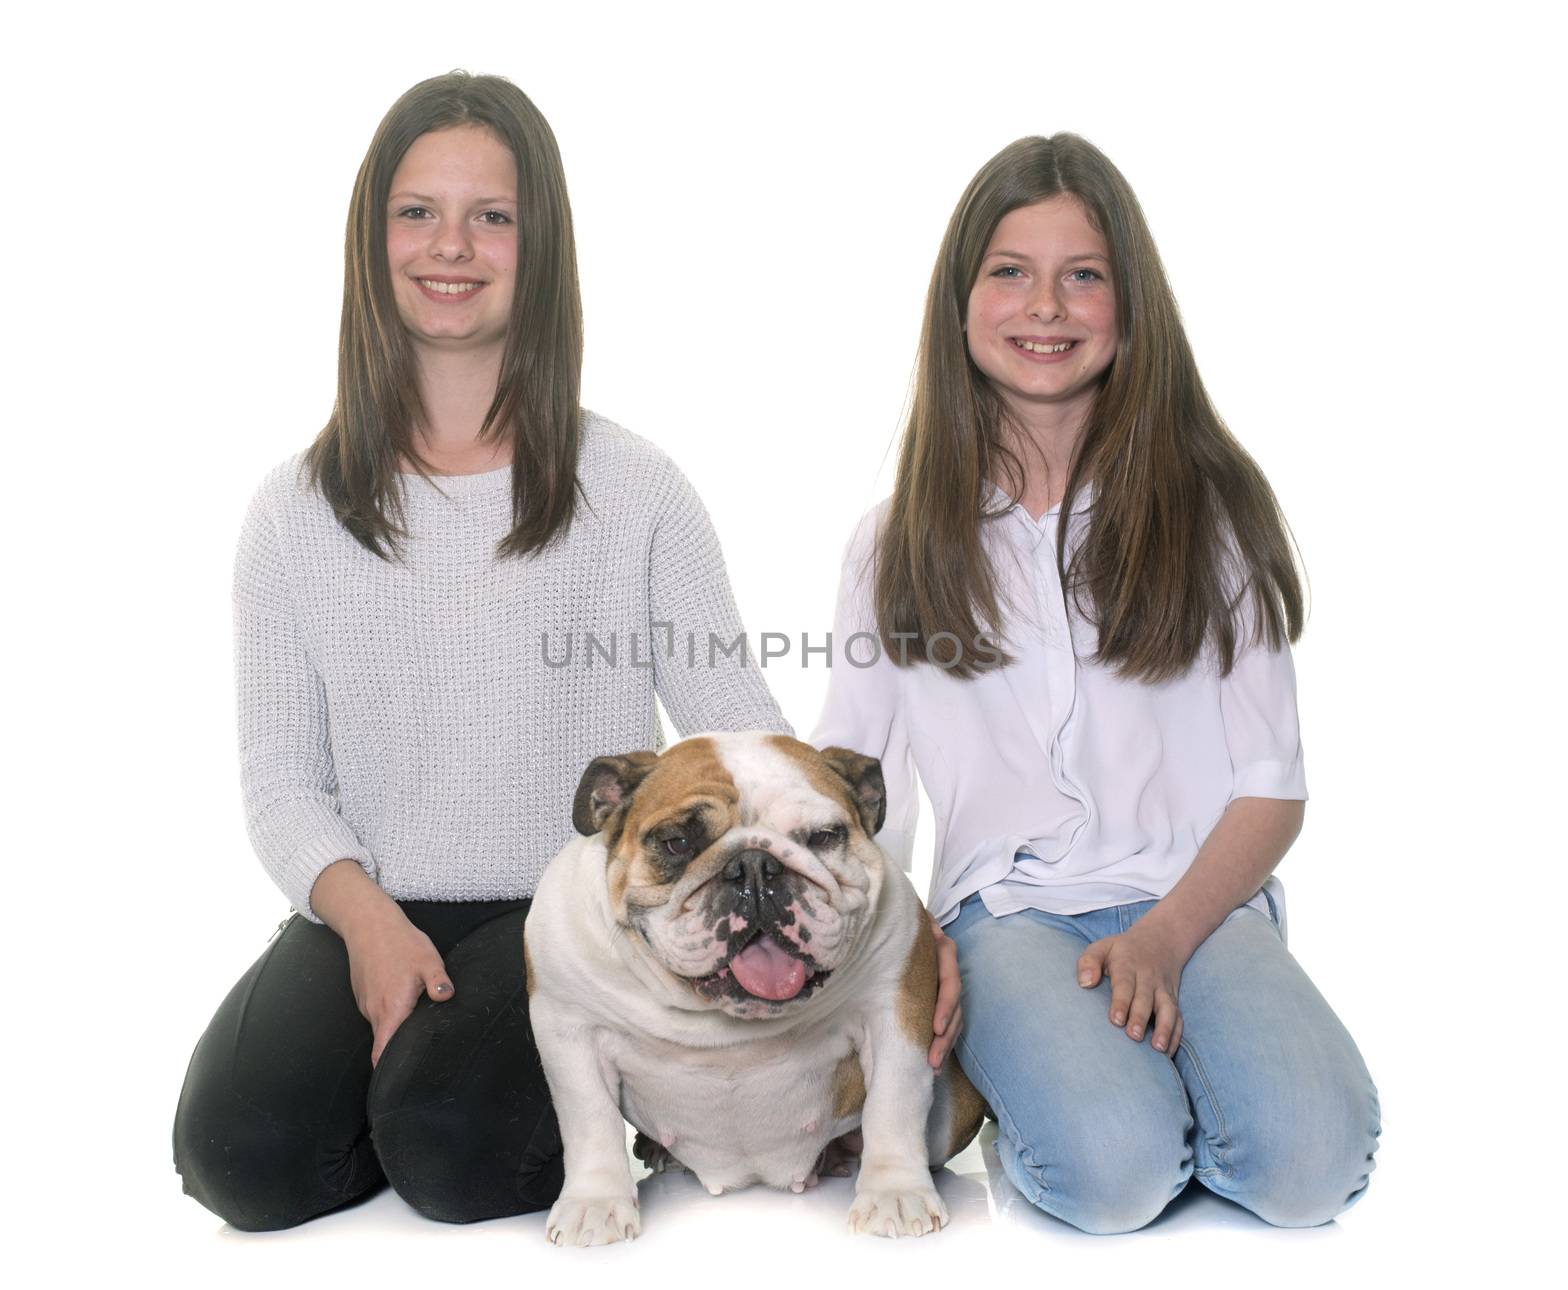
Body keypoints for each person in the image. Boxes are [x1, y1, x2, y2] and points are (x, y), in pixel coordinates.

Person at [171, 71, 797, 1231]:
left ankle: (587, 1074)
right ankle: (438, 1092)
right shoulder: (291, 511)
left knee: (454, 1156)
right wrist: (366, 926)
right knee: (239, 1160)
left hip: (569, 909)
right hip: (368, 899)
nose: (449, 246)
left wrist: (869, 922)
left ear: (537, 244)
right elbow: (280, 781)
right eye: (417, 212)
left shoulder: (636, 487)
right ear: (373, 240)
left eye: (490, 216)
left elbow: (736, 731)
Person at [809, 134, 1380, 1235]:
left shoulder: (1212, 516)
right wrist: (914, 941)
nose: (1046, 306)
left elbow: (1271, 789)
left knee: (1309, 1172)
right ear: (961, 303)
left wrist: (1165, 940)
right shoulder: (893, 546)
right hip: (1008, 915)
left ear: (1128, 307)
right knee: (1110, 1183)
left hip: (1196, 903)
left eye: (1084, 275)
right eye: (1010, 272)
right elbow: (854, 786)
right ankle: (1055, 1103)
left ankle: (1167, 1087)